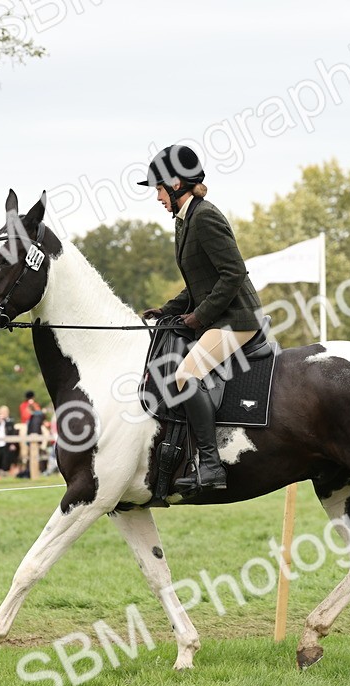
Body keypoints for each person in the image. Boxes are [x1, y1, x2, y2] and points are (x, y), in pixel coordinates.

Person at [138, 144, 263, 494]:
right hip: (220, 317)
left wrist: (199, 316)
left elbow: (233, 273)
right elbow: (200, 283)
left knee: (186, 373)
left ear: (176, 184)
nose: (158, 197)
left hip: (237, 319)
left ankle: (210, 465)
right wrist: (168, 309)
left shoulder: (205, 216)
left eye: (159, 189)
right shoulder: (185, 220)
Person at [0, 406, 17, 478]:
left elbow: (13, 433)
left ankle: (4, 473)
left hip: (6, 443)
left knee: (5, 458)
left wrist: (13, 443)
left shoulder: (10, 422)